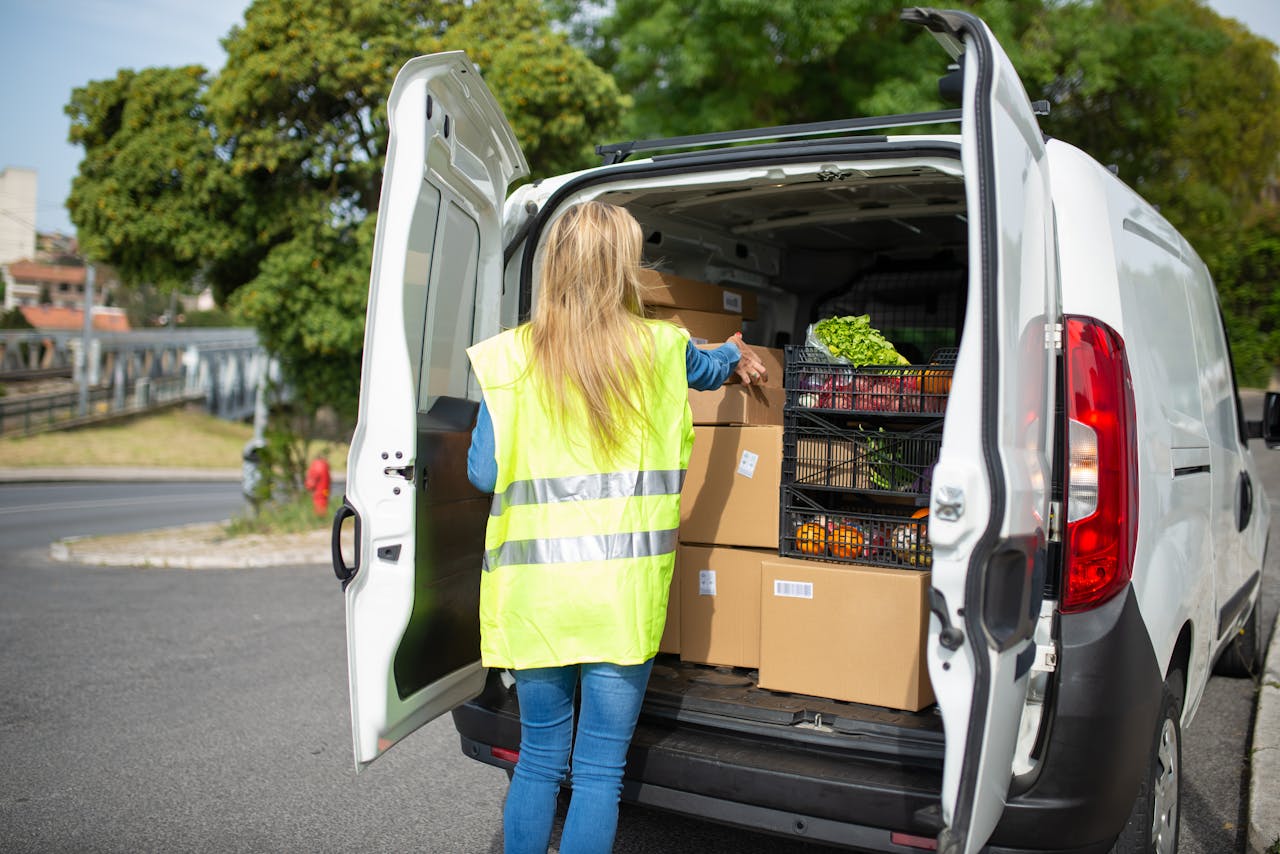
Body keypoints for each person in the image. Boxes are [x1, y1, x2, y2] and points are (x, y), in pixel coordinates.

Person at [465, 200, 767, 854]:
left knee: (541, 759)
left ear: (555, 268)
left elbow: (485, 474)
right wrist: (733, 352)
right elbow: (709, 368)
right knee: (600, 771)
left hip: (536, 600)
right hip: (620, 598)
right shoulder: (662, 348)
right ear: (620, 269)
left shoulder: (507, 359)